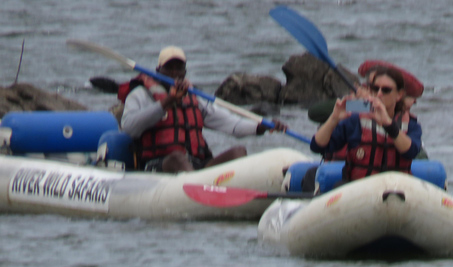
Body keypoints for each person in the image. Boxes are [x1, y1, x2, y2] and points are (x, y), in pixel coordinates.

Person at [121, 46, 288, 172]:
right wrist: (167, 101)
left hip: (197, 165)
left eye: (178, 68)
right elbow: (129, 127)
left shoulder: (195, 97)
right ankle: (196, 188)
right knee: (178, 157)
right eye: (168, 68)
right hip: (160, 164)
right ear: (158, 70)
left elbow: (232, 124)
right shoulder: (140, 95)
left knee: (239, 152)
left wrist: (260, 126)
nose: (174, 73)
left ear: (185, 72)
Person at [309, 66, 423, 182]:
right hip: (360, 188)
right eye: (375, 88)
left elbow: (411, 152)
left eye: (386, 90)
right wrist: (333, 118)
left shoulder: (411, 125)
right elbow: (317, 146)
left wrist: (388, 124)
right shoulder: (355, 120)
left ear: (399, 95)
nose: (379, 94)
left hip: (396, 188)